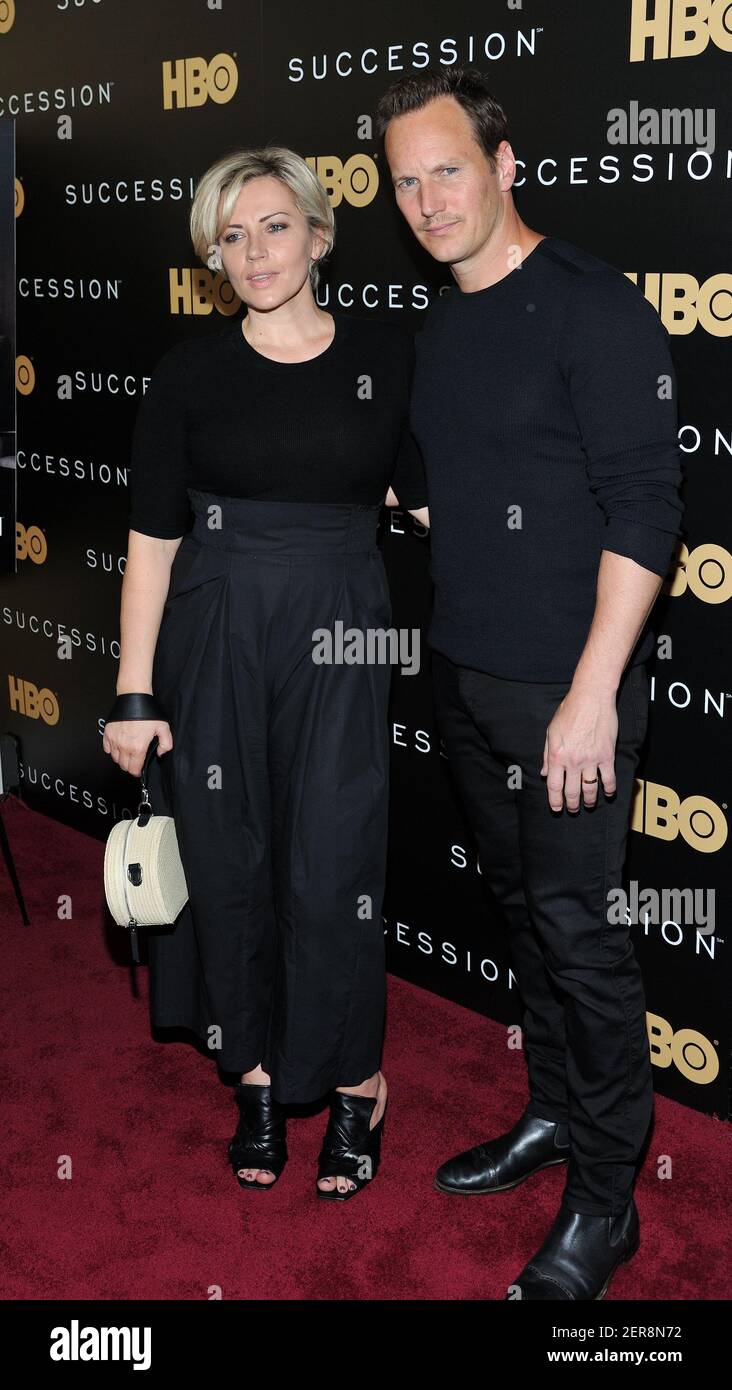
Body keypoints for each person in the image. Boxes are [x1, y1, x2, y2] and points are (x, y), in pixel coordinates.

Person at [375, 66, 684, 1298]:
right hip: (466, 678)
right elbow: (472, 476)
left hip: (572, 697)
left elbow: (647, 506)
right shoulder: (441, 322)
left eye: (449, 168)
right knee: (526, 921)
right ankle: (556, 1109)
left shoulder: (592, 307)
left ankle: (609, 1197)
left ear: (507, 167)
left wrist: (593, 692)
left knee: (581, 938)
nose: (429, 198)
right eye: (406, 181)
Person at [103, 146, 429, 1201]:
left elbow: (428, 506)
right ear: (212, 257)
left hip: (346, 621)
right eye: (230, 236)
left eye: (274, 226)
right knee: (230, 848)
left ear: (321, 235)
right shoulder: (189, 373)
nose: (254, 251)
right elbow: (152, 539)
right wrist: (134, 690)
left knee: (336, 856)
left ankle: (355, 1083)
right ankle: (250, 1070)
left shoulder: (388, 356)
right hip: (217, 622)